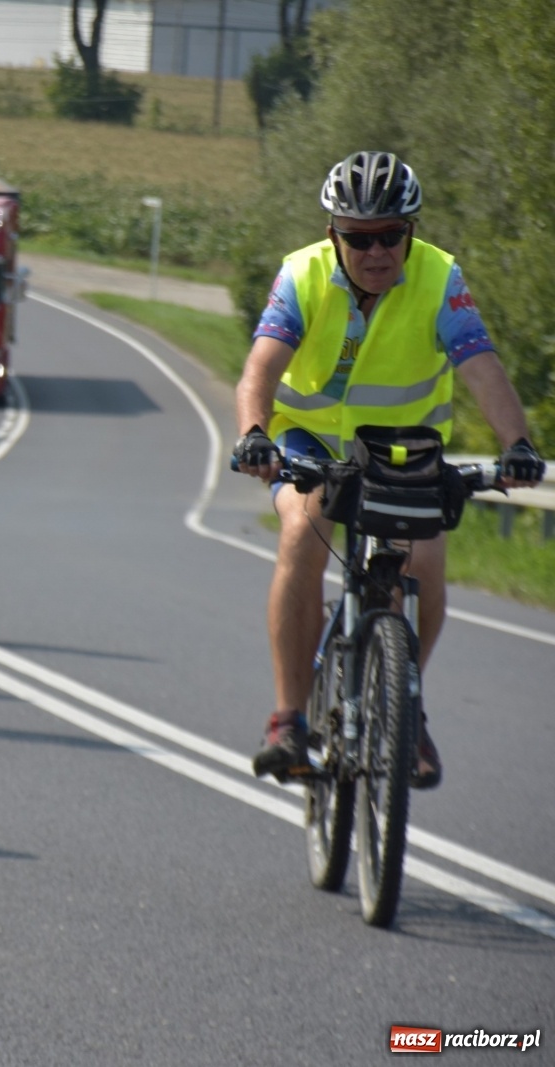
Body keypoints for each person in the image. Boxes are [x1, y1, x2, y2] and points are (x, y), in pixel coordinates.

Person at [233, 150, 545, 790]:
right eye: (358, 238)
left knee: (425, 562)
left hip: (404, 449)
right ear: (333, 235)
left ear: (412, 231)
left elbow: (481, 364)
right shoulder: (303, 275)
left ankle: (407, 704)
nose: (377, 252)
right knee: (302, 530)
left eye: (392, 236)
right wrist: (255, 436)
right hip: (311, 441)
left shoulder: (439, 278)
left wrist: (518, 443)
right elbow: (260, 369)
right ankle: (289, 718)